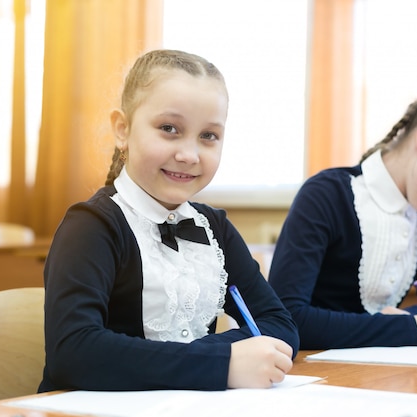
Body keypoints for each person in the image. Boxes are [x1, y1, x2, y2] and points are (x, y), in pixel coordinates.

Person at [39, 49, 299, 392]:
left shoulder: (214, 227)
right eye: (169, 129)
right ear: (122, 130)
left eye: (208, 136)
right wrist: (223, 363)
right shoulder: (91, 225)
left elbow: (280, 324)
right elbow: (73, 353)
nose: (189, 155)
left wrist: (208, 357)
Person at [268, 85, 417, 350]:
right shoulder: (326, 195)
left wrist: (406, 322)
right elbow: (286, 318)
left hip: (383, 375)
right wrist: (410, 328)